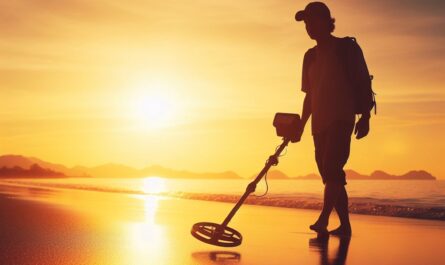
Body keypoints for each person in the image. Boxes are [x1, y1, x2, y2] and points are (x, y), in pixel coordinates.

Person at [294, 2, 374, 236]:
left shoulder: (346, 48)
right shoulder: (309, 56)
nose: (308, 26)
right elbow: (309, 95)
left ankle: (323, 219)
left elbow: (362, 81)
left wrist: (366, 115)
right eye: (305, 23)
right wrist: (301, 124)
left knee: (332, 168)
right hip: (319, 124)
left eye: (311, 21)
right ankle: (346, 226)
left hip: (341, 117)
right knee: (330, 174)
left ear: (326, 21)